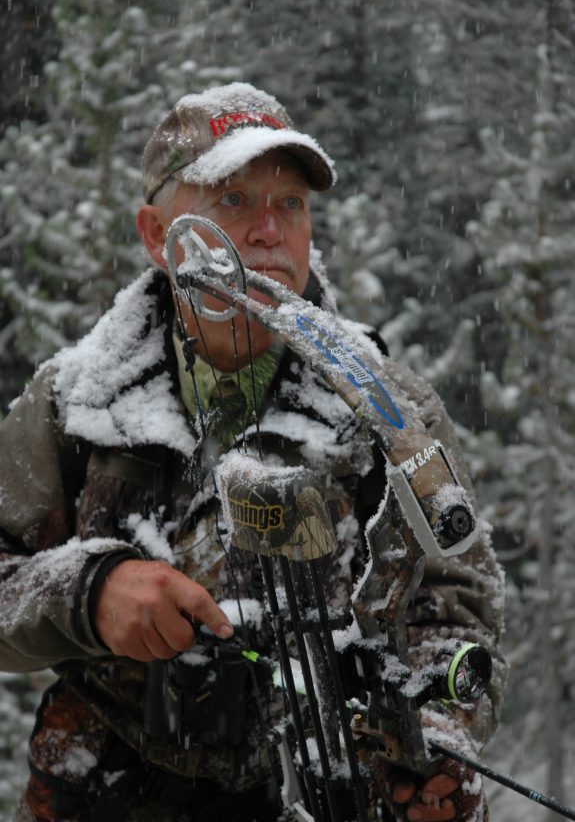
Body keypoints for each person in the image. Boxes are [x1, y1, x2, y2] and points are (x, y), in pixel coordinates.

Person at [0, 83, 505, 822]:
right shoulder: (72, 402)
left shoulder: (391, 411)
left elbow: (458, 613)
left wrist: (433, 734)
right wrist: (91, 594)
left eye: (291, 204)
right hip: (107, 791)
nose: (268, 230)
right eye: (232, 201)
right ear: (154, 232)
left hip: (330, 796)